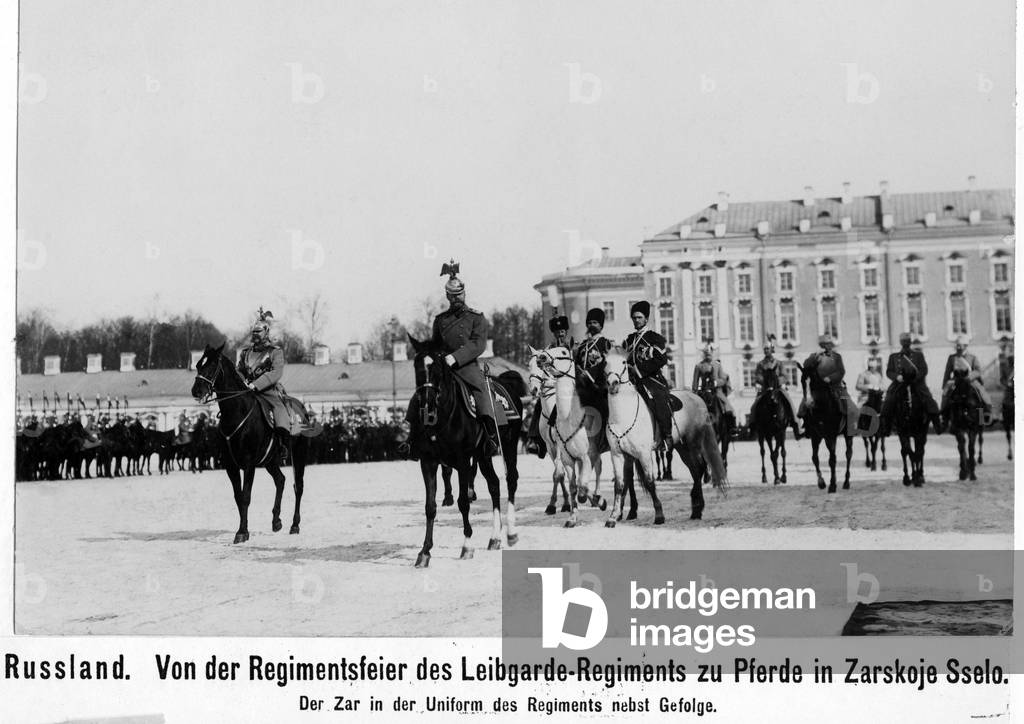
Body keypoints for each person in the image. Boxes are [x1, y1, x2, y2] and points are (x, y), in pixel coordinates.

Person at [404, 261, 500, 459]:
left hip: (466, 366)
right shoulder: (440, 320)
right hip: (443, 368)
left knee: (481, 390)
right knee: (421, 394)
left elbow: (478, 345)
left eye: (460, 295)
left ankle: (490, 437)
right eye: (453, 295)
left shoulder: (476, 318)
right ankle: (412, 440)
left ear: (464, 294)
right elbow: (435, 342)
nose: (457, 299)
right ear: (447, 296)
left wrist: (455, 358)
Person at [238, 308, 312, 441]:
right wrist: (242, 382)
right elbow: (239, 370)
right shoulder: (245, 353)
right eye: (254, 332)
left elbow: (276, 372)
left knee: (279, 409)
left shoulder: (274, 352)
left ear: (266, 332)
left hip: (268, 390)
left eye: (258, 332)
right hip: (247, 390)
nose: (255, 335)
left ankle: (282, 443)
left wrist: (256, 385)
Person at [623, 300, 674, 451]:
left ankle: (666, 436)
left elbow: (661, 359)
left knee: (657, 399)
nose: (636, 320)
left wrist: (638, 369)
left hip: (651, 379)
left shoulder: (654, 338)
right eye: (634, 318)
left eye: (639, 317)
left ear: (646, 319)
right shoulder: (629, 340)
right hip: (631, 380)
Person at [524, 312, 573, 457]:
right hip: (552, 386)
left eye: (562, 331)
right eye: (557, 332)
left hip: (570, 385)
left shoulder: (571, 346)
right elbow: (542, 370)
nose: (560, 334)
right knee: (541, 403)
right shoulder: (548, 350)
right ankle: (535, 439)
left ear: (566, 331)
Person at [881, 332, 942, 435]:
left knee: (930, 401)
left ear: (910, 342)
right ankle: (886, 428)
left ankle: (937, 425)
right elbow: (889, 371)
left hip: (916, 383)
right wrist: (897, 377)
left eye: (907, 341)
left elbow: (924, 369)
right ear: (900, 342)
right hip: (899, 384)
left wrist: (915, 377)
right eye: (904, 341)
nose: (906, 343)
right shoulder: (894, 356)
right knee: (888, 401)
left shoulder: (918, 355)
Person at [798, 334, 855, 429]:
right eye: (825, 344)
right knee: (805, 403)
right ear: (821, 345)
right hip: (817, 388)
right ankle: (807, 424)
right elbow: (806, 365)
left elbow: (841, 371)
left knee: (848, 404)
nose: (828, 346)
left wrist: (830, 378)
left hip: (835, 386)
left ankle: (850, 424)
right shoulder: (815, 356)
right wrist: (815, 357)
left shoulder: (837, 357)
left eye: (829, 344)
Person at [573, 307, 613, 432]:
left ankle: (606, 433)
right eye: (589, 323)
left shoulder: (606, 343)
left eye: (595, 323)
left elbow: (607, 363)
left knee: (603, 406)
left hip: (599, 385)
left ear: (601, 326)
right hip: (581, 385)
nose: (591, 325)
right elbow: (576, 363)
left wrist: (590, 374)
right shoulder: (582, 345)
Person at [752, 340, 800, 439]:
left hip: (777, 388)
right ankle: (753, 426)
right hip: (765, 389)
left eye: (768, 349)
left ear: (772, 350)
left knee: (789, 402)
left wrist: (776, 381)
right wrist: (765, 381)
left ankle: (795, 425)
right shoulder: (760, 364)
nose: (766, 351)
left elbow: (785, 376)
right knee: (755, 405)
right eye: (764, 349)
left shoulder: (779, 363)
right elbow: (757, 376)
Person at [940, 336, 992, 420]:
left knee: (981, 392)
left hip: (969, 380)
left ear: (965, 346)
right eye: (957, 345)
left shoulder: (972, 357)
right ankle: (944, 414)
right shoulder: (952, 358)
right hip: (956, 380)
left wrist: (970, 377)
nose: (958, 347)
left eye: (960, 345)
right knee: (946, 393)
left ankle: (985, 413)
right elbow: (947, 372)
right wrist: (945, 385)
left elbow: (978, 370)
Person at [691, 342, 735, 427]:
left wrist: (716, 382)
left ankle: (732, 428)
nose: (708, 353)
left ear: (712, 353)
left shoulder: (717, 365)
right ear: (704, 354)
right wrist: (695, 393)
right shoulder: (699, 366)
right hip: (703, 391)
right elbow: (695, 382)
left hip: (717, 392)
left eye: (710, 352)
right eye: (706, 352)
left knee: (728, 408)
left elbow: (723, 379)